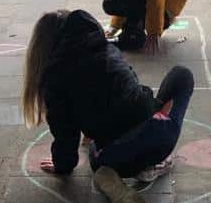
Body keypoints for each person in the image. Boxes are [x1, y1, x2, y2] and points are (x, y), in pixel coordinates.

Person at [22, 10, 193, 203]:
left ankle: (113, 181)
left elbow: (65, 135)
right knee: (182, 75)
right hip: (159, 136)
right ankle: (151, 165)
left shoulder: (54, 79)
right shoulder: (105, 47)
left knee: (95, 150)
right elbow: (130, 87)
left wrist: (63, 165)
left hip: (113, 156)